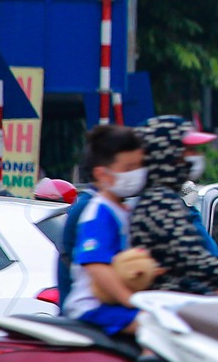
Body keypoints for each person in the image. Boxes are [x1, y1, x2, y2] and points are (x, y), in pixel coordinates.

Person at [127, 117, 218, 296]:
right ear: (168, 155)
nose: (195, 156)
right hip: (175, 306)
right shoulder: (161, 205)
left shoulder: (165, 201)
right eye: (188, 150)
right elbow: (206, 271)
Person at [61, 125, 159, 335]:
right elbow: (96, 265)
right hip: (93, 307)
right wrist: (130, 300)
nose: (136, 173)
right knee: (158, 329)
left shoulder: (124, 209)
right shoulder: (99, 213)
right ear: (102, 174)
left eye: (139, 166)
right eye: (128, 168)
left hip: (112, 305)